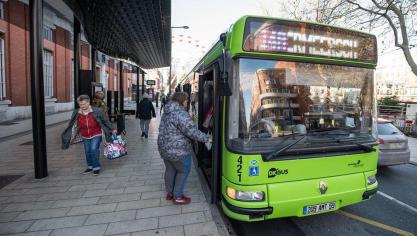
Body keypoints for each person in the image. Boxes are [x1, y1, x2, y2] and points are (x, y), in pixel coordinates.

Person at [158, 92, 211, 205]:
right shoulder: (180, 113)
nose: (188, 102)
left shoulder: (167, 111)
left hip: (164, 147)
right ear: (182, 100)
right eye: (187, 100)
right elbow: (191, 131)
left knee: (170, 170)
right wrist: (207, 139)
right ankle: (177, 196)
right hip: (178, 149)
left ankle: (170, 193)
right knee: (183, 171)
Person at [61, 95, 116, 176]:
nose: (82, 106)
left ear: (88, 102)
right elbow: (72, 123)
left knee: (94, 149)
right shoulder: (77, 112)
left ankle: (96, 167)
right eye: (80, 104)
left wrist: (112, 128)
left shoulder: (97, 110)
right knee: (87, 151)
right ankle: (90, 166)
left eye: (83, 104)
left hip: (96, 133)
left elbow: (105, 120)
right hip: (85, 135)